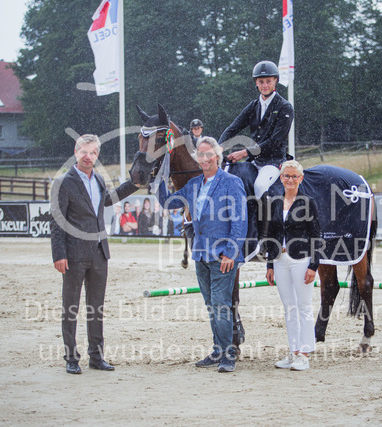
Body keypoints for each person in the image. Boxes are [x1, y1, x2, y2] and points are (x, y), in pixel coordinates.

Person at [157, 137, 247, 373]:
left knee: (221, 305)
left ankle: (228, 354)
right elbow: (168, 202)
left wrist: (231, 253)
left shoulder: (232, 182)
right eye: (200, 154)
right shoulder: (194, 184)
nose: (204, 158)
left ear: (217, 156)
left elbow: (239, 220)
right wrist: (159, 179)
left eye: (208, 154)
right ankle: (218, 350)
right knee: (211, 305)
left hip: (223, 256)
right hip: (200, 254)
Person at [50, 134, 138, 375]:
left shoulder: (98, 179)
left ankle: (96, 357)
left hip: (99, 252)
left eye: (92, 152)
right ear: (76, 152)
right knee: (70, 307)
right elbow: (57, 221)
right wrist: (58, 254)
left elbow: (107, 200)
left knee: (96, 308)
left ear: (97, 155)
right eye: (83, 152)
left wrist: (133, 184)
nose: (87, 157)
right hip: (73, 254)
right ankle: (71, 358)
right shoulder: (63, 182)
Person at [218, 60, 294, 244]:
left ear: (275, 81)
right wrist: (219, 147)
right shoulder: (253, 106)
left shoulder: (284, 107)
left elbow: (275, 142)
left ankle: (264, 237)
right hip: (254, 162)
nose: (265, 85)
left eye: (268, 81)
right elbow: (234, 127)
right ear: (256, 83)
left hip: (273, 161)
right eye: (261, 82)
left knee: (260, 186)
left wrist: (244, 153)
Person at [264, 160, 320, 371]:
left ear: (300, 178)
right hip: (280, 259)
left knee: (304, 306)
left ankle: (305, 353)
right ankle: (293, 350)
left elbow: (316, 235)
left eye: (294, 176)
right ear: (281, 178)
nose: (290, 179)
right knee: (289, 308)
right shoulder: (275, 202)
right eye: (286, 176)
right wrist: (270, 264)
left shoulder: (308, 202)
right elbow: (271, 234)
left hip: (301, 260)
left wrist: (313, 265)